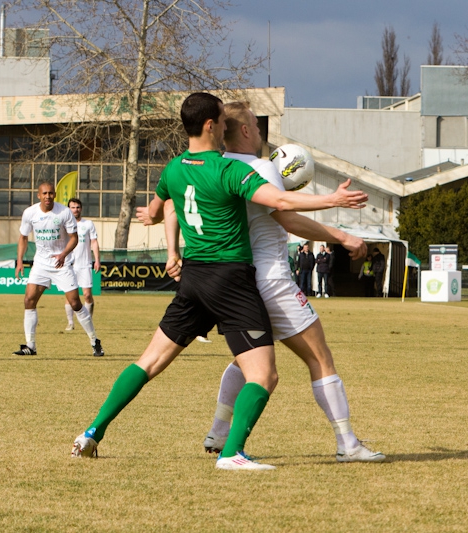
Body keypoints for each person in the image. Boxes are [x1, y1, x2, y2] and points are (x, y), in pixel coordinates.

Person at [70, 92, 367, 470]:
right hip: (230, 279)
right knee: (264, 375)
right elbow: (281, 204)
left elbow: (158, 211)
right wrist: (333, 200)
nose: (227, 127)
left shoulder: (174, 168)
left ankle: (91, 433)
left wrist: (168, 242)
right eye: (223, 122)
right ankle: (232, 453)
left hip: (193, 279)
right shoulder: (228, 171)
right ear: (210, 125)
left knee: (149, 362)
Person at [196, 100, 383, 462]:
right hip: (272, 280)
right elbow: (288, 217)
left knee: (247, 362)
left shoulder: (218, 168)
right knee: (320, 357)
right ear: (246, 130)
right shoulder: (262, 167)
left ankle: (219, 432)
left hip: (236, 282)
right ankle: (347, 443)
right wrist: (342, 236)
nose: (260, 131)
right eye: (256, 124)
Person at [14, 182, 104, 357]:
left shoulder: (64, 212)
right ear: (38, 195)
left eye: (51, 193)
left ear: (54, 195)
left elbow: (74, 238)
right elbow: (23, 238)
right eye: (44, 193)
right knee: (29, 300)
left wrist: (63, 255)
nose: (48, 196)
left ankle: (95, 341)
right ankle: (30, 346)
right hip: (41, 263)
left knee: (75, 303)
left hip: (62, 264)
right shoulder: (30, 213)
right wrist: (19, 261)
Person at [63, 198, 100, 331]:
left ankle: (88, 321)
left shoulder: (88, 224)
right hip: (69, 264)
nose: (75, 210)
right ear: (69, 209)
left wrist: (97, 260)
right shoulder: (65, 225)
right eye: (73, 207)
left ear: (81, 209)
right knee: (70, 295)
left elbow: (94, 242)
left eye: (77, 207)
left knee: (87, 295)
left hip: (85, 264)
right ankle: (70, 323)